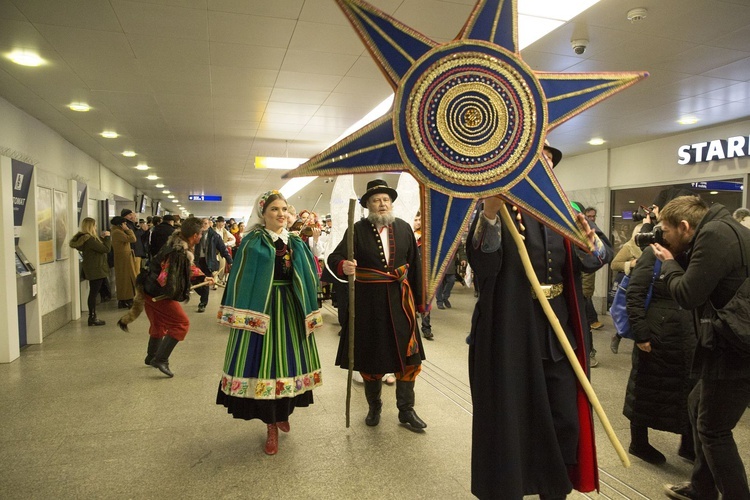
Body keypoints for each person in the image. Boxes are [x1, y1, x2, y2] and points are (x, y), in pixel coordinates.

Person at [466, 143, 613, 499]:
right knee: (514, 419)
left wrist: (589, 242)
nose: (544, 167)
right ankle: (510, 487)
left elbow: (599, 255)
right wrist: (489, 214)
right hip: (513, 332)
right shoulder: (498, 208)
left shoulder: (568, 211)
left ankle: (555, 489)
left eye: (548, 162)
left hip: (559, 332)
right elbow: (481, 263)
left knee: (565, 418)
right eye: (536, 161)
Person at [652, 196, 750, 500]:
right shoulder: (728, 228)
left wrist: (668, 264)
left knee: (713, 430)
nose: (662, 238)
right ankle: (701, 487)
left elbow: (687, 294)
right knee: (698, 405)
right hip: (736, 340)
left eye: (666, 231)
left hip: (734, 349)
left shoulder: (714, 236)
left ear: (684, 226)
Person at [216, 191, 323, 456]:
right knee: (265, 368)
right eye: (275, 209)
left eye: (284, 209)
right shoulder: (253, 242)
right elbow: (243, 276)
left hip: (291, 309)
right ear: (263, 213)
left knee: (289, 363)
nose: (281, 214)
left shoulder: (296, 242)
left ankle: (283, 414)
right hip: (261, 312)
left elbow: (310, 274)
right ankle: (270, 426)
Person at [328, 179, 427, 430]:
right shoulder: (357, 230)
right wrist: (344, 265)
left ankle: (406, 410)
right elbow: (335, 257)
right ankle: (374, 407)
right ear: (368, 206)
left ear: (391, 203)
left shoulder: (404, 228)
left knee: (410, 359)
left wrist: (422, 302)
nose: (382, 204)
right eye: (376, 200)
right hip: (368, 305)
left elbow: (415, 268)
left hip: (400, 303)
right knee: (371, 359)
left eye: (385, 200)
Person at [624, 243, 696, 465]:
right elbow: (635, 293)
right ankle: (639, 443)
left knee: (689, 388)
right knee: (645, 386)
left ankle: (689, 444)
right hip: (656, 332)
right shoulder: (652, 252)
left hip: (687, 333)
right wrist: (642, 334)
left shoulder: (696, 249)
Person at [141, 217, 212, 377]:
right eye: (200, 234)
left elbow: (187, 267)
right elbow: (166, 278)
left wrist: (202, 277)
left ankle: (151, 356)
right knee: (181, 323)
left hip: (148, 288)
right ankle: (161, 359)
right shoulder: (178, 252)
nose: (201, 237)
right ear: (195, 235)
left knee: (159, 324)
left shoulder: (177, 243)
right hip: (157, 293)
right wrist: (182, 287)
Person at [69, 217, 111, 326]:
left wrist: (101, 239)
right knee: (93, 294)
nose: (96, 228)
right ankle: (92, 317)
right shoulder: (90, 239)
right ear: (91, 226)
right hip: (96, 269)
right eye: (95, 226)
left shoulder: (87, 239)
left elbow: (97, 249)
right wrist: (107, 238)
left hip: (93, 269)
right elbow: (105, 249)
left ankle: (92, 316)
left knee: (95, 292)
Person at [609, 223, 644, 353]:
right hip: (633, 286)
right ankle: (618, 335)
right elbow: (614, 264)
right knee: (631, 315)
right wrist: (631, 263)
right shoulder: (629, 247)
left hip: (647, 286)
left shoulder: (652, 247)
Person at [194, 218, 232, 313]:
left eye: (206, 223)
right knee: (195, 281)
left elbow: (223, 249)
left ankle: (202, 303)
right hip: (197, 261)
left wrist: (230, 261)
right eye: (202, 223)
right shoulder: (196, 234)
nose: (204, 225)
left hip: (208, 261)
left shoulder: (214, 236)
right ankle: (203, 293)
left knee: (206, 282)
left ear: (210, 224)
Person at [413, 211, 433, 340]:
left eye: (420, 220)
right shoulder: (405, 235)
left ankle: (426, 328)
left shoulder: (425, 238)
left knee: (426, 301)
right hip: (408, 274)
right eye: (416, 220)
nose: (418, 223)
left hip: (423, 275)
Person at [110, 216, 137, 309]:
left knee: (127, 278)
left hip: (125, 257)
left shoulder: (118, 231)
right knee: (125, 279)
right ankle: (126, 299)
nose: (126, 225)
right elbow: (133, 239)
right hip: (123, 258)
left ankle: (127, 298)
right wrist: (129, 230)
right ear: (120, 224)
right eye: (124, 224)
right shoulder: (117, 232)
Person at [435, 240, 466, 310]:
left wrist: (463, 258)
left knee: (451, 280)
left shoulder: (453, 233)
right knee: (439, 283)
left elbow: (460, 247)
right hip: (439, 260)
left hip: (451, 262)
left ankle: (445, 297)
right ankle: (439, 301)